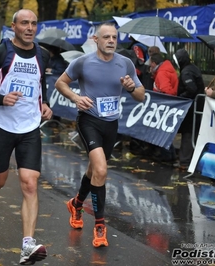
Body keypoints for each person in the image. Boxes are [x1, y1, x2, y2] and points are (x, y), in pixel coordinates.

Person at [0, 9, 52, 265]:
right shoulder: (1, 52)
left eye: (33, 23)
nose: (30, 27)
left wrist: (45, 104)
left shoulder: (43, 54)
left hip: (29, 127)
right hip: (3, 125)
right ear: (14, 26)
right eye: (24, 23)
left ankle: (27, 244)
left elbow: (41, 84)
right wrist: (1, 99)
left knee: (29, 183)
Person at [54, 22, 145, 248]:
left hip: (111, 124)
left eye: (114, 37)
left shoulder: (125, 63)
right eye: (106, 37)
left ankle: (76, 204)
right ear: (96, 40)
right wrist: (76, 98)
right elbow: (60, 83)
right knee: (102, 170)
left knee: (95, 169)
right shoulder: (83, 62)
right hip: (88, 120)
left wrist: (132, 87)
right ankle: (100, 225)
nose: (111, 41)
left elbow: (141, 96)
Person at [173, 48, 205, 170]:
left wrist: (181, 97)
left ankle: (185, 162)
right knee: (192, 133)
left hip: (191, 107)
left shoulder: (186, 72)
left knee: (188, 133)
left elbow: (191, 89)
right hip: (197, 106)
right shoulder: (193, 68)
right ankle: (189, 160)